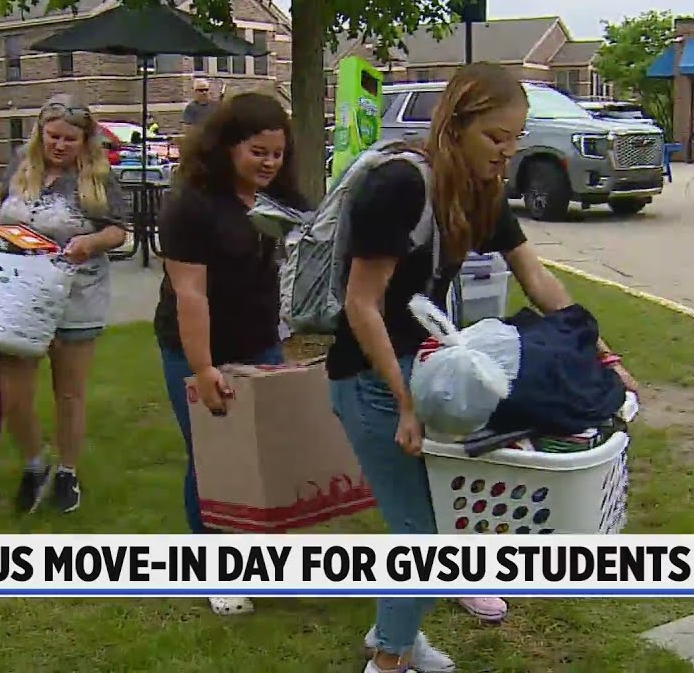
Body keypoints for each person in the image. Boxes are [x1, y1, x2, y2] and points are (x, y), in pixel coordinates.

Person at [325, 62, 640, 673]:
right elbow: (360, 305)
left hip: (428, 372)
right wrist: (405, 404)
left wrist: (601, 353)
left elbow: (536, 276)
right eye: (496, 137)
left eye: (517, 138)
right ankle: (388, 658)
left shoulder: (480, 191)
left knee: (437, 522)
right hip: (368, 379)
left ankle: (395, 636)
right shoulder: (399, 185)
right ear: (456, 124)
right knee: (419, 533)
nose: (507, 152)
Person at [155, 91, 307, 617]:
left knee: (262, 455)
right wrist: (202, 369)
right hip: (195, 347)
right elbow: (189, 295)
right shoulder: (191, 207)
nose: (269, 163)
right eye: (257, 151)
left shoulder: (283, 203)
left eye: (277, 153)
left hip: (259, 340)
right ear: (226, 147)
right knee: (213, 456)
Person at [0, 94, 129, 514]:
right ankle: (35, 463)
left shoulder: (98, 177)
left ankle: (67, 471)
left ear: (84, 141)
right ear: (40, 133)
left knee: (68, 393)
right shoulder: (21, 164)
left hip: (76, 295)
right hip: (17, 293)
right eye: (53, 136)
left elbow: (119, 231)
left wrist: (92, 241)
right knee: (11, 392)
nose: (60, 145)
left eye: (70, 139)